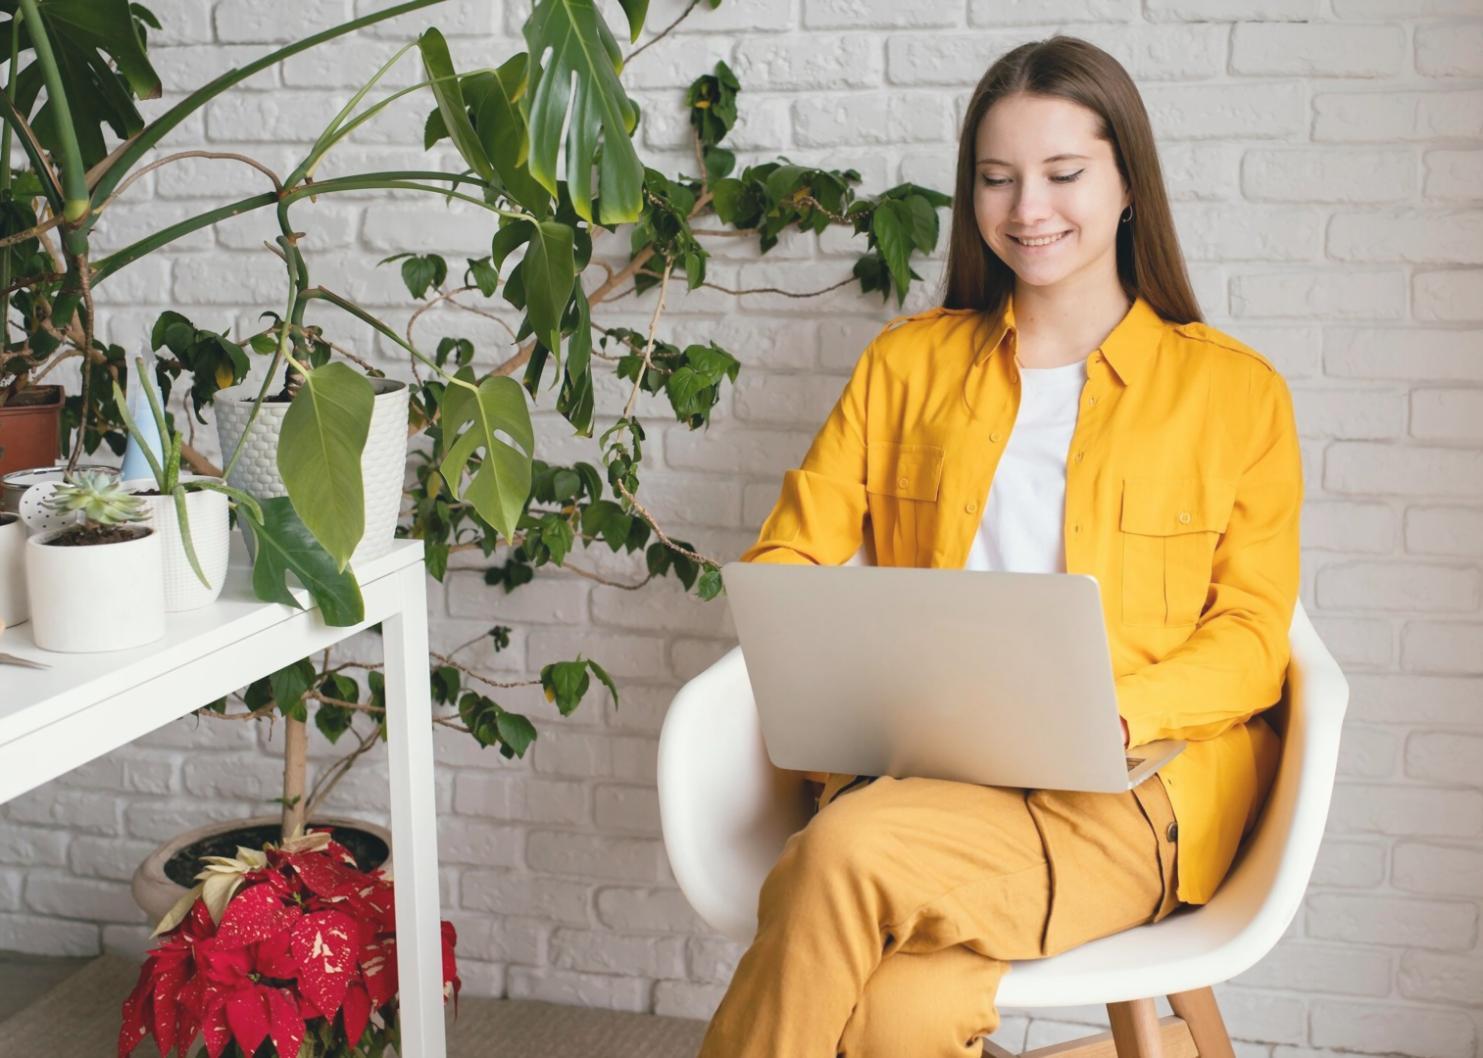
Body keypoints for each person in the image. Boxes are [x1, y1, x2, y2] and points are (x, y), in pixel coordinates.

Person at [696, 34, 1302, 1058]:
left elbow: (1251, 637)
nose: (1028, 209)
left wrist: (1119, 713)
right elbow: (789, 560)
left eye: (1063, 174)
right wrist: (829, 655)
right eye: (995, 178)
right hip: (926, 786)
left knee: (841, 855)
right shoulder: (906, 365)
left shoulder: (1234, 392)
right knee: (902, 1012)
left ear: (1125, 186)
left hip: (1124, 799)